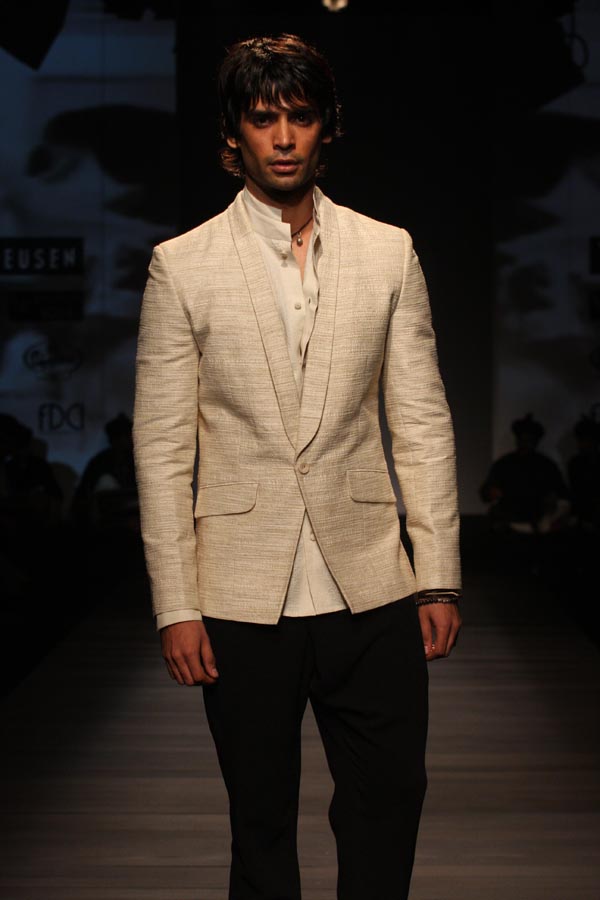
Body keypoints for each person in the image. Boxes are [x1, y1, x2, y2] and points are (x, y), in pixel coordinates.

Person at [133, 33, 462, 900]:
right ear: (233, 133)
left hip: (373, 584)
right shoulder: (183, 265)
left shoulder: (388, 251)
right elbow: (162, 449)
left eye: (301, 117)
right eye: (262, 118)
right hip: (242, 594)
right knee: (261, 825)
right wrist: (176, 603)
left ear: (327, 127)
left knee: (390, 801)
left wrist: (437, 576)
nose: (283, 138)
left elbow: (421, 422)